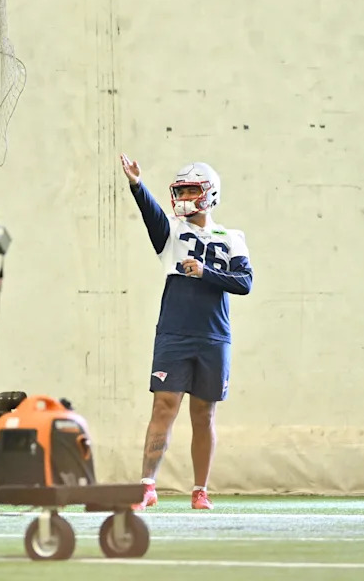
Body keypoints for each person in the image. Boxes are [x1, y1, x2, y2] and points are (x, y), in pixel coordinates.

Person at [119, 154, 253, 511]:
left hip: (213, 335)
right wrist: (136, 184)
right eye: (181, 190)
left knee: (204, 414)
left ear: (210, 194)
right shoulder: (172, 235)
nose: (185, 197)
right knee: (164, 406)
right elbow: (152, 214)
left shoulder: (231, 237)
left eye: (192, 189)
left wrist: (204, 272)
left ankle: (200, 490)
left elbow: (245, 283)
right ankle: (147, 485)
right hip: (174, 332)